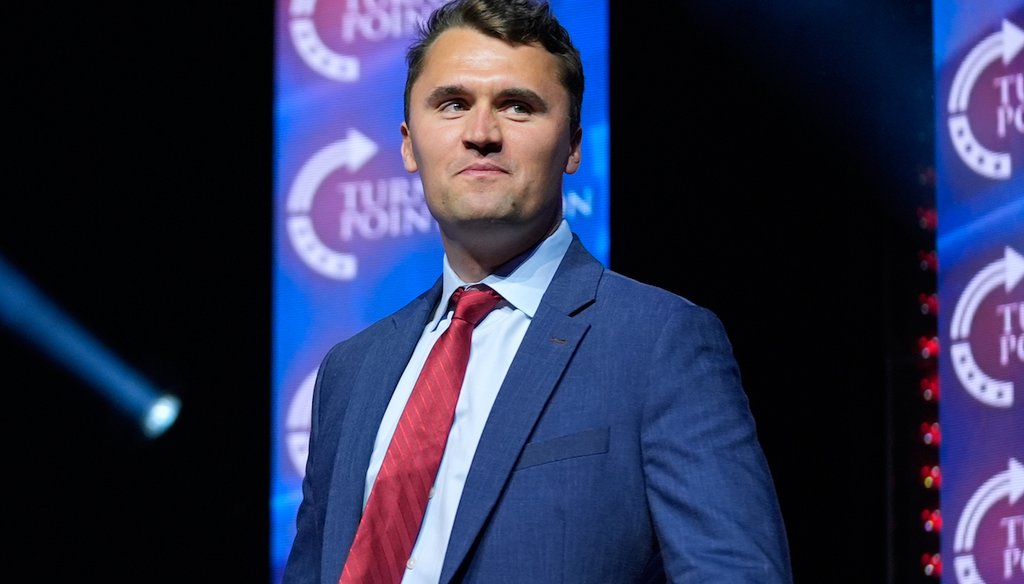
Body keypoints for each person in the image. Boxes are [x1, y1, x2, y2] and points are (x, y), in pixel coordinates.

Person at [282, 0, 793, 582]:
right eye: (452, 104)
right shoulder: (350, 372)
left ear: (573, 145)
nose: (481, 134)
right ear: (407, 143)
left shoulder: (657, 343)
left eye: (517, 107)